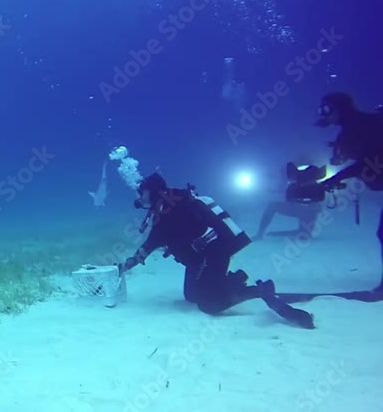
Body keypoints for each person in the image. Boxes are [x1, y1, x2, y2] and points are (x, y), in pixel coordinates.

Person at [117, 173, 315, 328]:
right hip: (201, 256)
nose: (139, 197)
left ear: (152, 192)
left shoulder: (168, 213)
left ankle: (259, 291)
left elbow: (148, 246)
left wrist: (122, 268)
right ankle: (233, 280)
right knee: (191, 296)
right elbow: (153, 243)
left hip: (214, 252)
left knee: (209, 304)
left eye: (142, 192)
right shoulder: (172, 204)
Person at [314, 92, 383, 291]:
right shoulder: (356, 127)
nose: (323, 113)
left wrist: (336, 178)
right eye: (322, 110)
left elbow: (366, 163)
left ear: (340, 108)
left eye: (326, 109)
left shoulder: (362, 126)